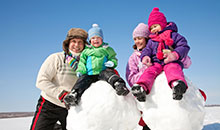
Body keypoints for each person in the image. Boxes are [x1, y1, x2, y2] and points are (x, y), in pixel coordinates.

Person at [30, 28, 88, 130]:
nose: (76, 45)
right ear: (67, 43)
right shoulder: (56, 58)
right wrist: (61, 94)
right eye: (73, 41)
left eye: (80, 42)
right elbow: (41, 81)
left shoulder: (86, 64)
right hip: (49, 105)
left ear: (84, 45)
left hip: (71, 108)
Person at [131, 7, 190, 102]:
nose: (154, 29)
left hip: (170, 61)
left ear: (162, 24)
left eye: (155, 26)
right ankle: (141, 87)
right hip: (156, 63)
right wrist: (145, 57)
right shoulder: (151, 40)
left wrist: (174, 55)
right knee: (149, 72)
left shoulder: (173, 35)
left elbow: (183, 46)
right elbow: (147, 50)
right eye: (151, 28)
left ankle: (177, 85)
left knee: (173, 68)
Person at [63, 24, 129, 106]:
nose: (96, 40)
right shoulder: (86, 51)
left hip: (102, 72)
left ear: (102, 39)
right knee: (82, 80)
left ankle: (119, 85)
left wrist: (112, 62)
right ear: (90, 40)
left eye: (98, 38)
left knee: (109, 74)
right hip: (90, 74)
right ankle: (74, 94)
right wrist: (80, 70)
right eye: (93, 38)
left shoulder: (107, 49)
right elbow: (82, 62)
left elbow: (113, 58)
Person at [126, 23, 151, 130]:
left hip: (159, 93)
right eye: (135, 39)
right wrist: (147, 72)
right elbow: (131, 78)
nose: (137, 41)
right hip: (144, 96)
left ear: (146, 38)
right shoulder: (133, 58)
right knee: (148, 123)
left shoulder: (154, 53)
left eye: (140, 38)